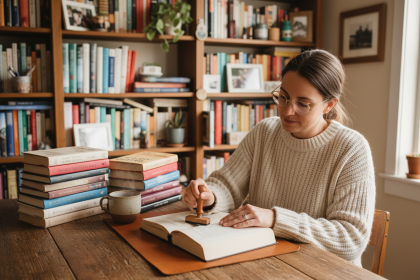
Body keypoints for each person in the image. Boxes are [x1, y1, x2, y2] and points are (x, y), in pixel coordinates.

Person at [182, 49, 375, 267]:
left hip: (323, 270)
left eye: (303, 104)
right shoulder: (265, 132)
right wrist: (209, 196)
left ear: (329, 105)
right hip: (266, 262)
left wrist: (275, 219)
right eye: (283, 97)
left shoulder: (351, 148)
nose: (287, 111)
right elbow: (227, 185)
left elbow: (350, 238)